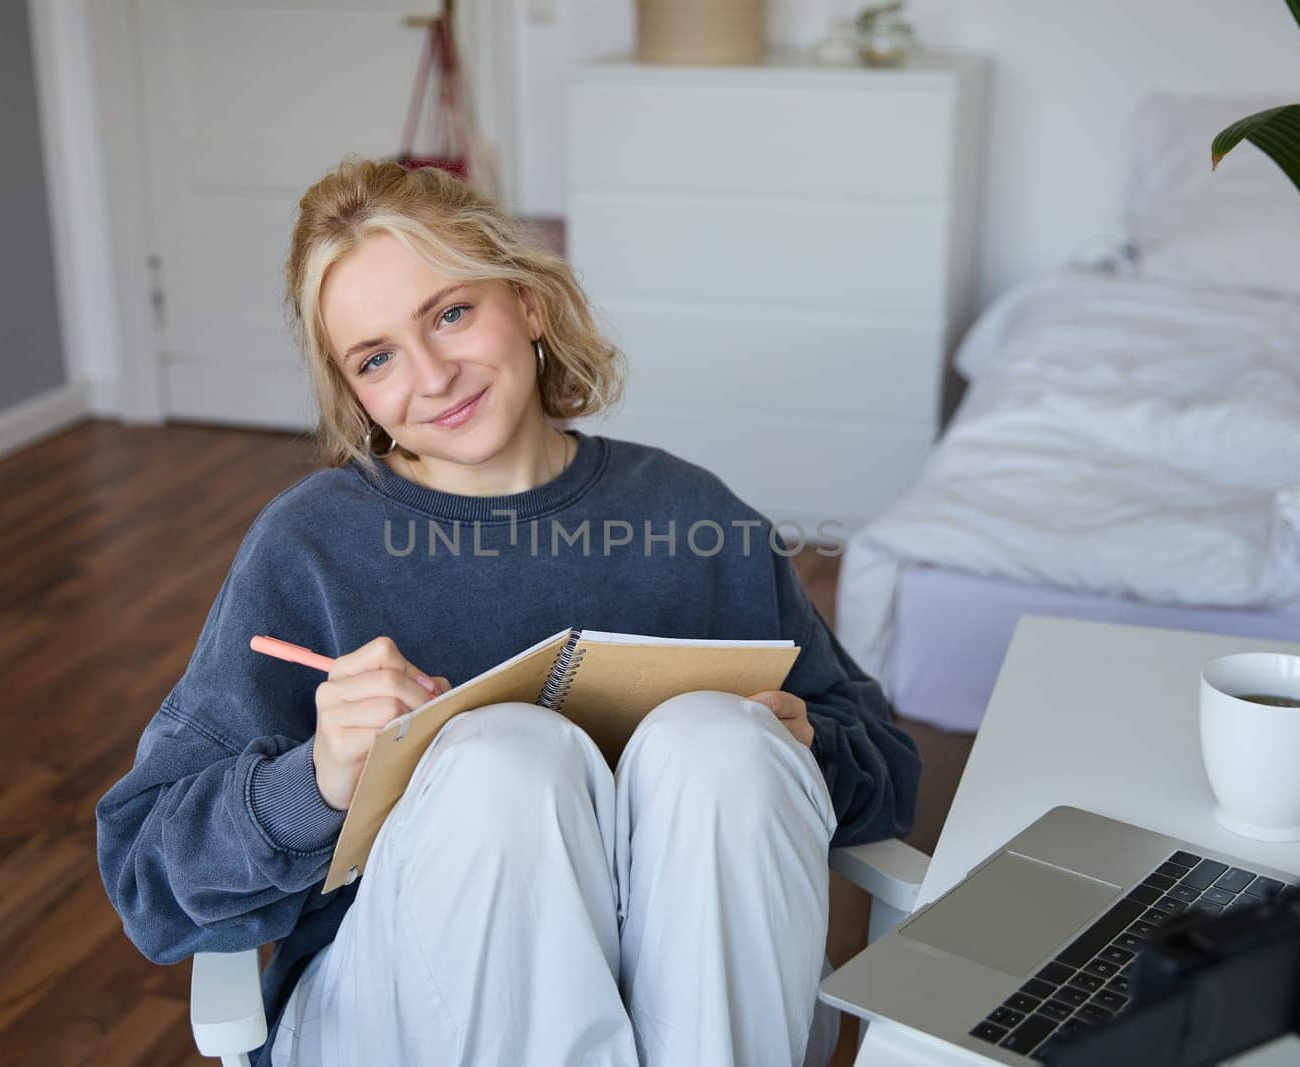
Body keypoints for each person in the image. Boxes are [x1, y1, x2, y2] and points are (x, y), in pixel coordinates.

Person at [95, 157, 922, 1067]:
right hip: (399, 1015)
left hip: (702, 1017)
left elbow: (887, 767)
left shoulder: (689, 515)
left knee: (720, 744)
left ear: (527, 304)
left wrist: (803, 746)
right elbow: (149, 880)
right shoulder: (311, 545)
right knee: (504, 758)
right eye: (376, 358)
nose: (434, 376)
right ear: (355, 394)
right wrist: (318, 780)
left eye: (450, 313)